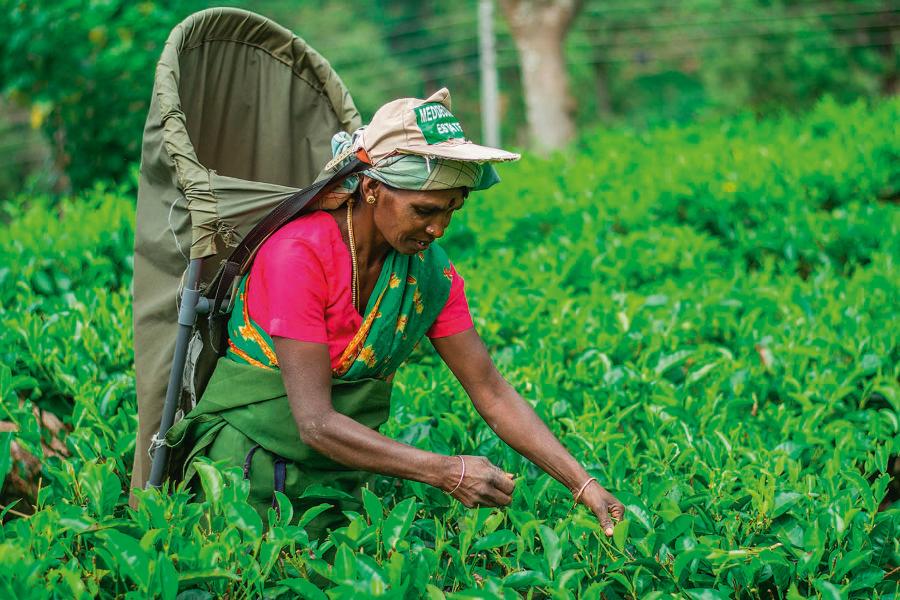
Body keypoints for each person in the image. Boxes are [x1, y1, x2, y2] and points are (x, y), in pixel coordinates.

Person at [166, 88, 624, 537]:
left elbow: (491, 391)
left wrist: (584, 486)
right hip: (249, 476)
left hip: (342, 479)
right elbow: (316, 423)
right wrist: (445, 471)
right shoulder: (297, 255)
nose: (438, 228)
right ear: (370, 188)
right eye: (425, 210)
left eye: (452, 211)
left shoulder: (427, 272)